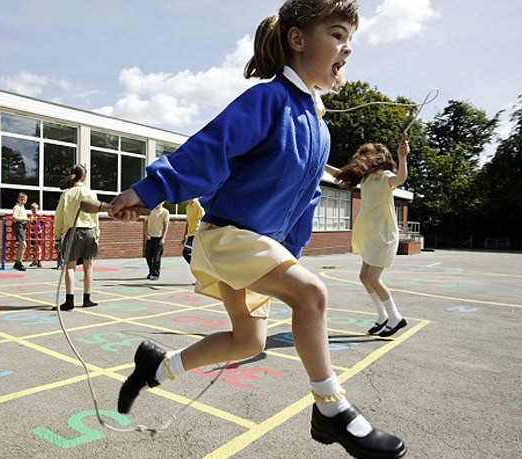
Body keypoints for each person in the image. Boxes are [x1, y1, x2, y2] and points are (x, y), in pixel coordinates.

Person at [108, 1, 405, 458]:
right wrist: (150, 190)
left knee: (248, 341)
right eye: (337, 34)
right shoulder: (268, 99)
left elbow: (303, 203)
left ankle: (156, 367)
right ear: (298, 40)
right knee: (312, 294)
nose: (347, 48)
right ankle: (331, 409)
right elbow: (213, 146)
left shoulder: (320, 130)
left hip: (259, 246)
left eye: (350, 38)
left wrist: (290, 255)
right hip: (227, 237)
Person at [325, 136, 410, 337]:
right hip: (371, 236)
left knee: (373, 278)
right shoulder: (365, 178)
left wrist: (402, 157)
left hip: (384, 236)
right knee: (364, 277)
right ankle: (382, 316)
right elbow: (339, 174)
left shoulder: (386, 176)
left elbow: (400, 179)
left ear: (377, 159)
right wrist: (320, 161)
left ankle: (396, 317)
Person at [53, 164, 104, 310]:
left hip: (73, 231)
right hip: (89, 231)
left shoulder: (66, 194)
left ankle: (69, 301)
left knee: (70, 266)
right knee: (88, 266)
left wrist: (57, 237)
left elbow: (59, 217)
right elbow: (95, 217)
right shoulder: (91, 194)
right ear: (84, 176)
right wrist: (97, 235)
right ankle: (87, 298)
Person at [145, 202, 170, 280]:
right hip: (150, 237)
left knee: (156, 257)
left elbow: (166, 226)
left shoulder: (165, 212)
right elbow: (146, 222)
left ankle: (156, 274)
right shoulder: (150, 211)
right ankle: (151, 272)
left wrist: (163, 238)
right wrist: (146, 234)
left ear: (163, 202)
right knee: (148, 256)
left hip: (159, 237)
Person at [182, 198, 204, 264]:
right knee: (191, 253)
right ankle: (198, 267)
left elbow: (202, 218)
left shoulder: (197, 204)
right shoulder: (188, 206)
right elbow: (188, 222)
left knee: (186, 252)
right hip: (190, 234)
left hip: (196, 233)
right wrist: (185, 234)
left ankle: (198, 267)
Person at [11, 192, 28, 271]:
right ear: (18, 199)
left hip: (23, 225)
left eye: (24, 199)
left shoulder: (23, 207)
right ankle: (19, 262)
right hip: (18, 225)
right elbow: (14, 218)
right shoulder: (16, 207)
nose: (23, 201)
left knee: (23, 245)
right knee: (23, 244)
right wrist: (24, 219)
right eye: (21, 199)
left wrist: (28, 220)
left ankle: (18, 262)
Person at [29, 202, 44, 268]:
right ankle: (34, 260)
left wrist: (41, 230)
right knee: (33, 247)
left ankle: (39, 260)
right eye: (33, 209)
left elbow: (42, 224)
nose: (34, 210)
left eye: (35, 209)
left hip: (38, 233)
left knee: (39, 247)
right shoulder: (30, 217)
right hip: (33, 233)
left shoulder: (39, 217)